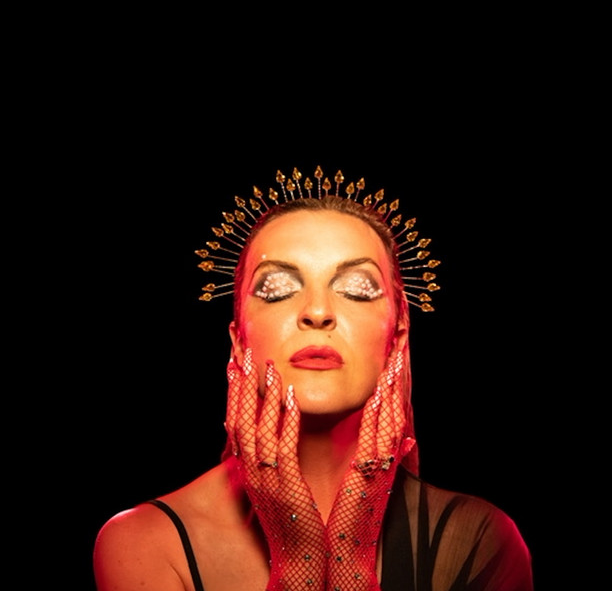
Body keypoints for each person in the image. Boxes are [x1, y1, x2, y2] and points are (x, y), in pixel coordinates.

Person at [93, 167, 534, 590]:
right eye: (277, 289)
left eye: (357, 289)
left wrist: (350, 559)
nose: (318, 311)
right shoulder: (143, 544)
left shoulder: (483, 538)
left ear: (397, 338)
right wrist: (298, 559)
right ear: (239, 341)